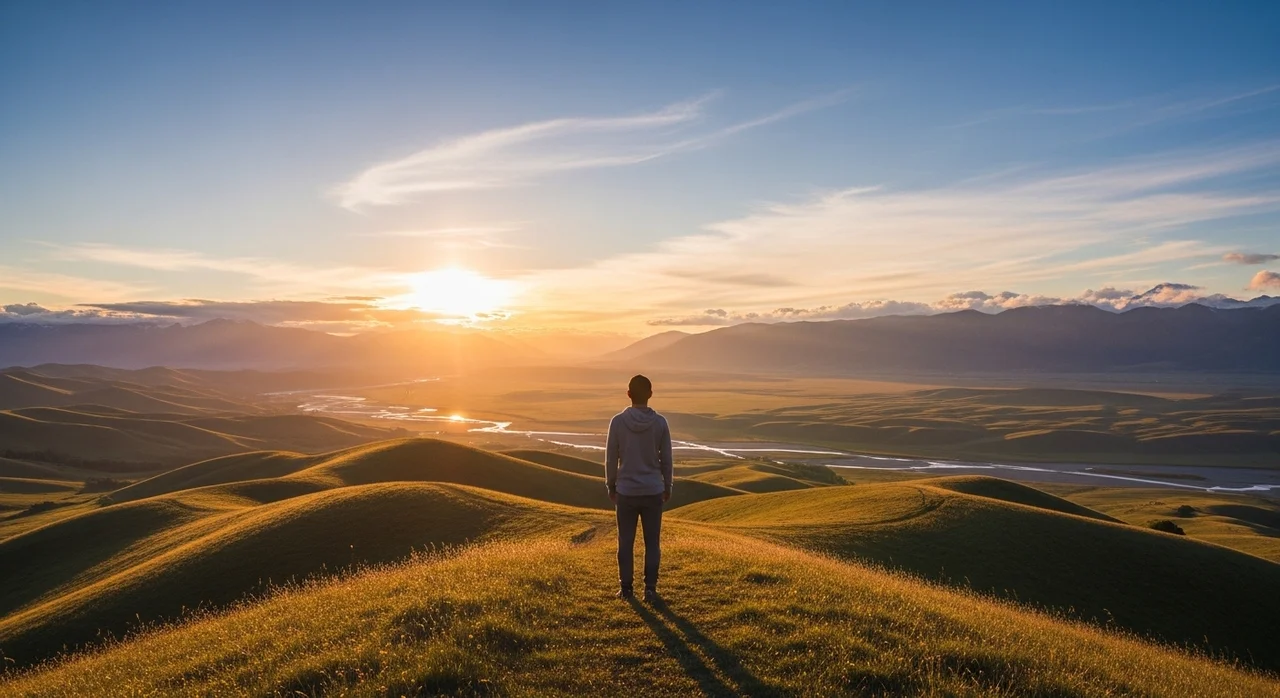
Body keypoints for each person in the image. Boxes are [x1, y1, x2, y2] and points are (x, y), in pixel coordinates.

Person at [605, 374, 673, 602]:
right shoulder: (660, 423)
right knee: (652, 542)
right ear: (651, 394)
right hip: (653, 490)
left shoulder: (617, 422)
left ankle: (626, 589)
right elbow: (667, 459)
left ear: (628, 394)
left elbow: (611, 457)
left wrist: (611, 485)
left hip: (626, 491)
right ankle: (650, 589)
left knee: (625, 542)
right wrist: (667, 485)